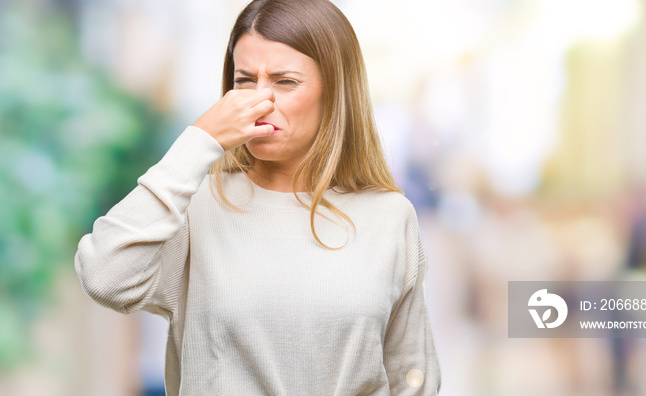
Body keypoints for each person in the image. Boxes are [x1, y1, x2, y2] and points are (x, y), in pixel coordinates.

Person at [73, 0, 442, 394]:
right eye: (245, 81)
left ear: (335, 92)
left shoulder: (389, 216)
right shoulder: (198, 205)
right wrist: (200, 141)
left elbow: (412, 376)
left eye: (285, 82)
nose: (259, 102)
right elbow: (105, 277)